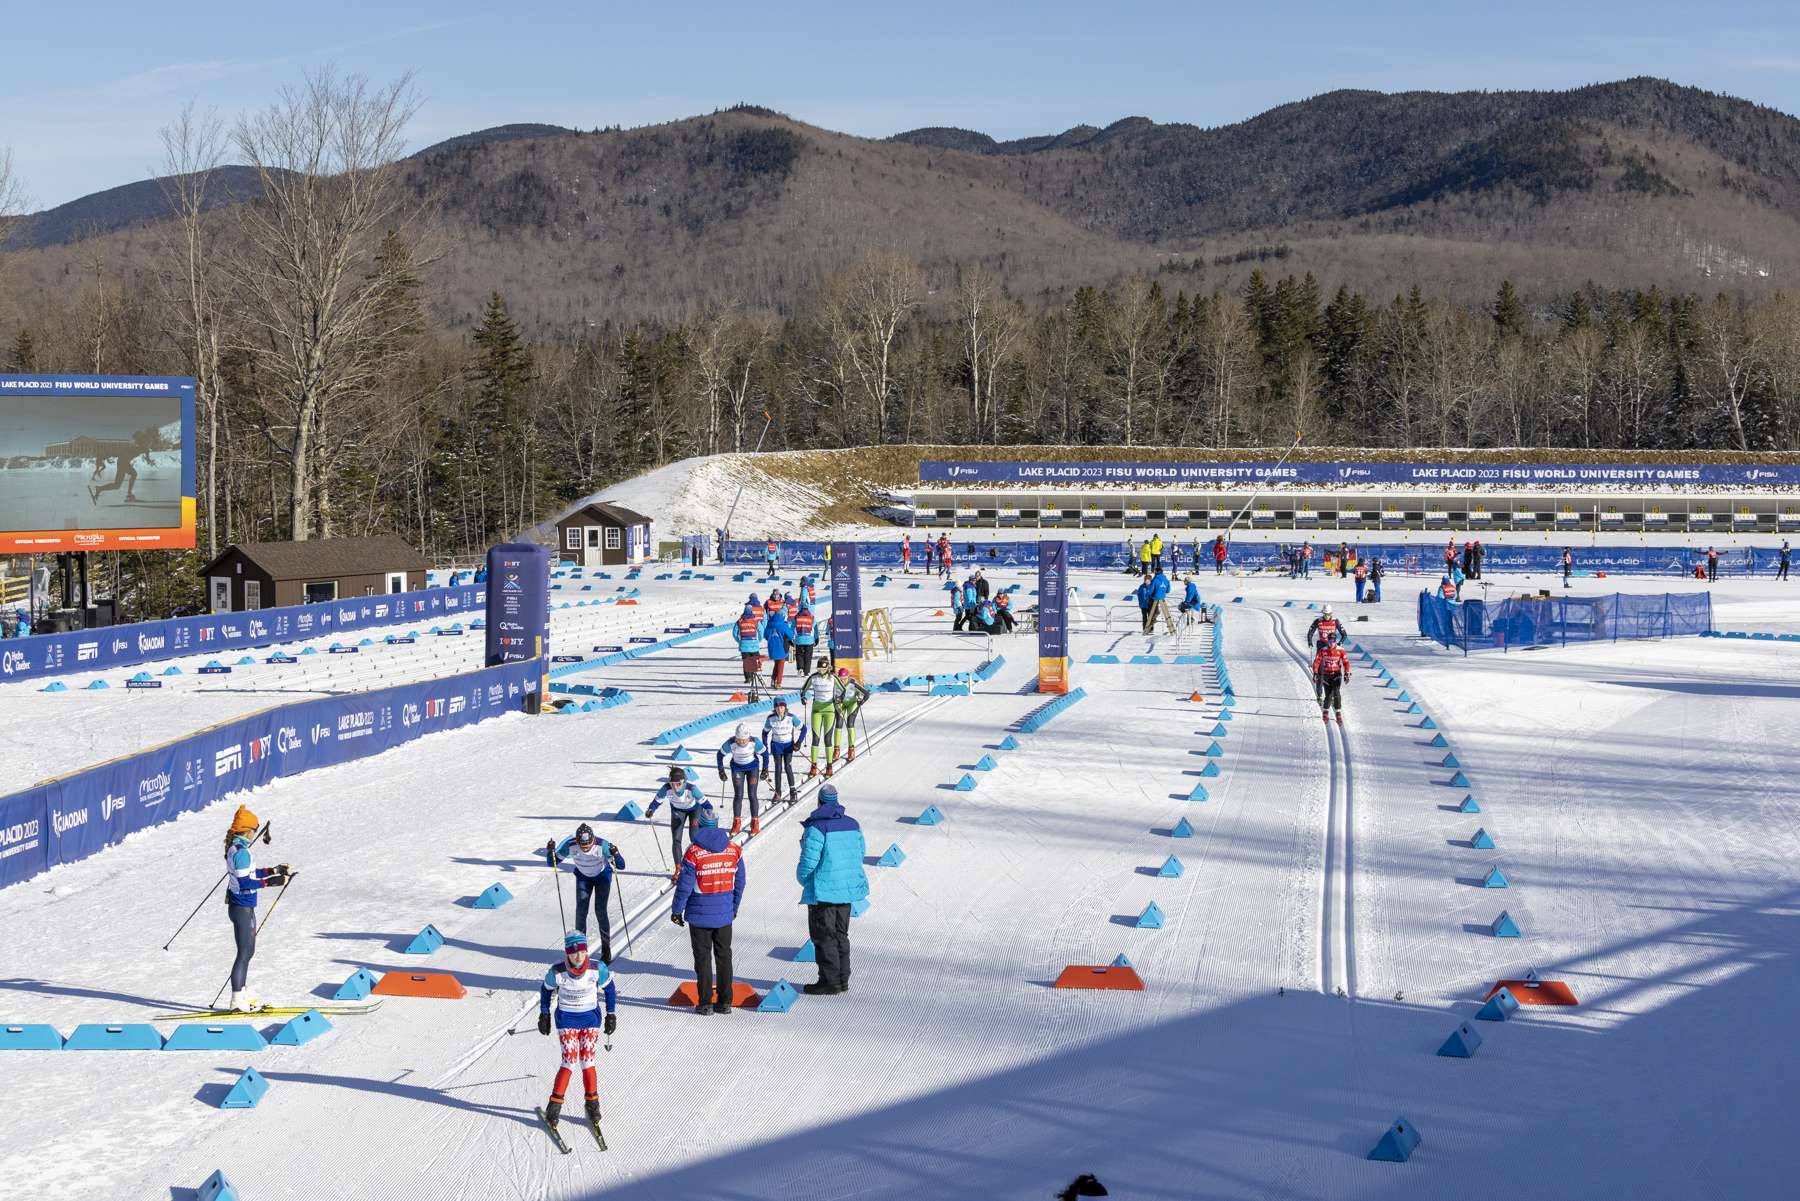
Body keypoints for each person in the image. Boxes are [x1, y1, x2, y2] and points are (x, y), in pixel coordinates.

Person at [536, 929, 617, 1137]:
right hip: (567, 1020)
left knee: (587, 1061)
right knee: (569, 1061)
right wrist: (544, 1014)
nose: (578, 956)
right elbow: (545, 990)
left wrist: (611, 1014)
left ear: (586, 950)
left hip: (590, 1019)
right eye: (573, 953)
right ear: (567, 953)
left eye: (581, 951)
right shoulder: (557, 972)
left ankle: (592, 1103)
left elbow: (609, 989)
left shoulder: (597, 968)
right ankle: (554, 1106)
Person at [796, 783, 869, 996]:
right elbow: (860, 852)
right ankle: (842, 979)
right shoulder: (853, 824)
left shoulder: (817, 828)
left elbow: (809, 862)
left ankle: (829, 981)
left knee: (823, 936)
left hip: (823, 891)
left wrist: (805, 880)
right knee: (840, 934)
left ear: (819, 802)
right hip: (845, 890)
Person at [222, 804, 293, 1013]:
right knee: (244, 952)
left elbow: (251, 873)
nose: (255, 833)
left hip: (243, 907)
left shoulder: (237, 849)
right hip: (242, 907)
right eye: (254, 830)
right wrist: (271, 882)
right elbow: (246, 883)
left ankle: (242, 995)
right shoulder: (241, 852)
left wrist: (273, 871)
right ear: (248, 830)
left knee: (248, 951)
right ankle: (236, 1001)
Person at [671, 814, 745, 1015]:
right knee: (724, 956)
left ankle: (705, 1003)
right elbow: (740, 882)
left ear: (700, 827)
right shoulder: (733, 850)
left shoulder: (693, 852)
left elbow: (684, 886)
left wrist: (677, 910)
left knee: (702, 959)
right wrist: (733, 907)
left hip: (699, 915)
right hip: (723, 915)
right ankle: (725, 1002)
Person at [548, 824, 626, 962]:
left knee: (600, 911)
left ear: (593, 840)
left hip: (602, 877)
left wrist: (616, 853)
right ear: (577, 841)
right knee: (581, 912)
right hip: (583, 878)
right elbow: (553, 863)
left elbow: (621, 866)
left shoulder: (603, 845)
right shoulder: (570, 845)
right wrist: (551, 852)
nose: (585, 848)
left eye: (588, 845)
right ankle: (580, 950)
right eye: (582, 846)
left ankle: (606, 950)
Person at [646, 767, 713, 881]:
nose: (675, 787)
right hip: (678, 811)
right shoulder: (666, 788)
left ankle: (699, 863)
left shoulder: (691, 788)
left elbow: (707, 805)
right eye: (672, 784)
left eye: (678, 784)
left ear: (684, 781)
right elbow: (656, 801)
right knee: (676, 839)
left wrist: (709, 813)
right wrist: (651, 810)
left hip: (694, 810)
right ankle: (678, 868)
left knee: (694, 837)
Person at [717, 723, 767, 836]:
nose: (741, 742)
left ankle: (755, 822)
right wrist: (721, 770)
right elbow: (719, 755)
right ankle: (736, 823)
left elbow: (765, 754)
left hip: (752, 768)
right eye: (739, 740)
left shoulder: (755, 742)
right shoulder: (731, 743)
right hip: (737, 768)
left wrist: (765, 769)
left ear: (748, 738)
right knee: (738, 795)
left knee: (752, 795)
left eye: (744, 740)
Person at [762, 697, 807, 805]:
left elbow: (804, 729)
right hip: (776, 745)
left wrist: (799, 742)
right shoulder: (771, 718)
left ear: (785, 707)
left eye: (781, 707)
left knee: (788, 766)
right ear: (774, 708)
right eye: (777, 707)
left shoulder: (791, 718)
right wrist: (765, 746)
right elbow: (764, 733)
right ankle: (778, 792)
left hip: (788, 745)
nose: (779, 709)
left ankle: (793, 791)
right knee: (778, 768)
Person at [803, 662, 838, 778]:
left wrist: (839, 698)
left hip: (829, 711)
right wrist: (803, 697)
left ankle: (829, 766)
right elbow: (803, 690)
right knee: (815, 739)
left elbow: (842, 689)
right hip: (816, 711)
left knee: (828, 739)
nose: (821, 672)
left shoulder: (832, 678)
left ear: (827, 669)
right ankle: (813, 766)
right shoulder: (813, 678)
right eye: (819, 669)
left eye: (823, 669)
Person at [832, 668, 870, 771]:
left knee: (850, 724)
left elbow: (867, 694)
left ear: (848, 677)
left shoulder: (852, 682)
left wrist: (861, 702)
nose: (842, 680)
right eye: (841, 678)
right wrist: (835, 700)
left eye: (844, 678)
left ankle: (851, 750)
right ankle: (836, 750)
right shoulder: (835, 682)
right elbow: (831, 695)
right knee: (838, 724)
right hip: (841, 704)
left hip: (852, 704)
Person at [1313, 638, 1351, 725]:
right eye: (1329, 642)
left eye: (1333, 642)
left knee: (1337, 692)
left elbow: (1346, 662)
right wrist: (1315, 672)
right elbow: (1317, 662)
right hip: (1326, 675)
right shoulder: (1323, 650)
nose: (1331, 644)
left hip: (1336, 674)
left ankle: (1338, 712)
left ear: (1335, 642)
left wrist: (1347, 673)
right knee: (1329, 695)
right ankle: (1325, 712)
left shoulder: (1340, 650)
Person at [764, 601, 793, 689]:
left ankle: (773, 680)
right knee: (780, 666)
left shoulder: (769, 625)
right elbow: (790, 635)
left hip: (772, 648)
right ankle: (778, 683)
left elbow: (765, 635)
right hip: (782, 648)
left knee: (776, 664)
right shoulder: (783, 625)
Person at [791, 598, 819, 674]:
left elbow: (792, 628)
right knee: (808, 656)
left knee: (799, 654)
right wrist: (816, 638)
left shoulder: (796, 617)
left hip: (799, 639)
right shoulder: (812, 618)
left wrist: (791, 638)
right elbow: (815, 629)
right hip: (809, 640)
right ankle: (807, 671)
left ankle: (800, 668)